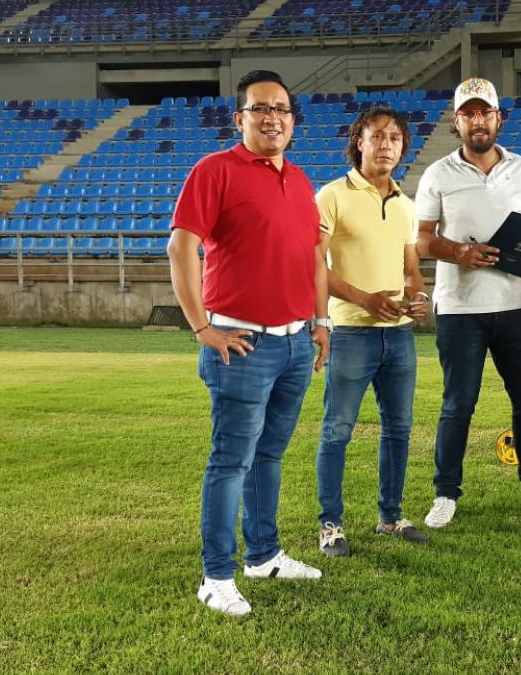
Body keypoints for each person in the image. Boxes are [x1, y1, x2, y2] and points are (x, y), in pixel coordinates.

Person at [168, 69, 333, 617]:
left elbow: (312, 256)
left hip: (293, 345)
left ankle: (263, 555)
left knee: (269, 456)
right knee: (230, 461)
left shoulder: (301, 179)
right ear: (239, 118)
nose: (272, 118)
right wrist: (202, 328)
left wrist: (320, 321)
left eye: (282, 109)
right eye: (260, 109)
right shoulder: (215, 170)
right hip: (241, 344)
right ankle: (216, 575)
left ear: (293, 120)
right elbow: (180, 248)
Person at [414, 77, 521, 529]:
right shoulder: (438, 174)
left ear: (499, 118)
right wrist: (459, 253)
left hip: (515, 305)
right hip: (461, 308)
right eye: (468, 113)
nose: (477, 120)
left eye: (485, 112)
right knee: (457, 404)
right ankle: (446, 494)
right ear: (457, 122)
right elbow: (422, 242)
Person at [313, 105, 431, 557]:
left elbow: (411, 269)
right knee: (337, 430)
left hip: (398, 336)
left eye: (395, 138)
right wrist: (365, 300)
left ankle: (391, 516)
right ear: (358, 141)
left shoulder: (405, 205)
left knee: (398, 428)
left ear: (403, 147)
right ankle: (331, 525)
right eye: (377, 136)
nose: (386, 145)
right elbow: (314, 268)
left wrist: (416, 297)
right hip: (350, 334)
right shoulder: (332, 196)